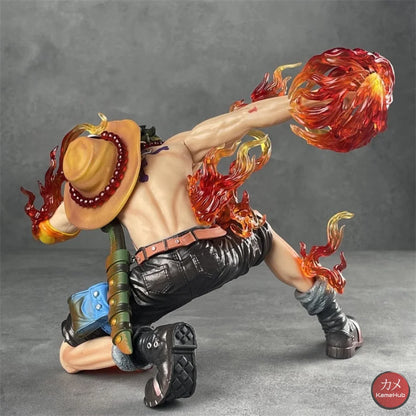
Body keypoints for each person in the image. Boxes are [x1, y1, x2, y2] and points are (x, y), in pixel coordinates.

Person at [23, 48, 395, 408]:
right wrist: (307, 102)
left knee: (69, 353)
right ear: (125, 146)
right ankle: (337, 325)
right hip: (219, 252)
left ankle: (154, 345)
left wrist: (75, 203)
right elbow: (245, 118)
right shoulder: (176, 148)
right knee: (260, 232)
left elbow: (50, 231)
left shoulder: (97, 202)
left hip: (158, 277)